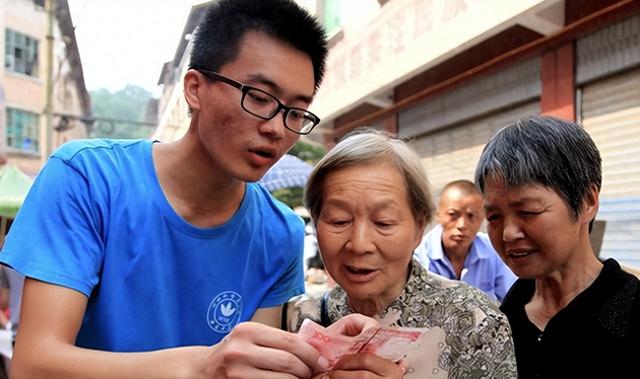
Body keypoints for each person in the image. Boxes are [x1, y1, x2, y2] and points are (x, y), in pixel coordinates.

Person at [0, 1, 372, 377]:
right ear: (195, 89)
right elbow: (34, 365)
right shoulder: (88, 178)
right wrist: (204, 365)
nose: (277, 128)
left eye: (295, 112)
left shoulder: (279, 233)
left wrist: (321, 362)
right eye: (259, 98)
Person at [285, 130, 517, 378]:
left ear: (419, 228)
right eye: (339, 221)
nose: (359, 244)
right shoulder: (300, 320)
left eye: (383, 223)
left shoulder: (475, 321)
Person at [474, 115, 640, 378]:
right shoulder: (505, 316)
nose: (508, 233)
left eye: (527, 211)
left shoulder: (627, 309)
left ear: (587, 201)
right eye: (494, 217)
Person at [414, 180, 516, 301]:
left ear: (483, 217)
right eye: (453, 214)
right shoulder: (418, 258)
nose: (462, 225)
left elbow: (513, 300)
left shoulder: (493, 251)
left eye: (471, 216)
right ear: (438, 214)